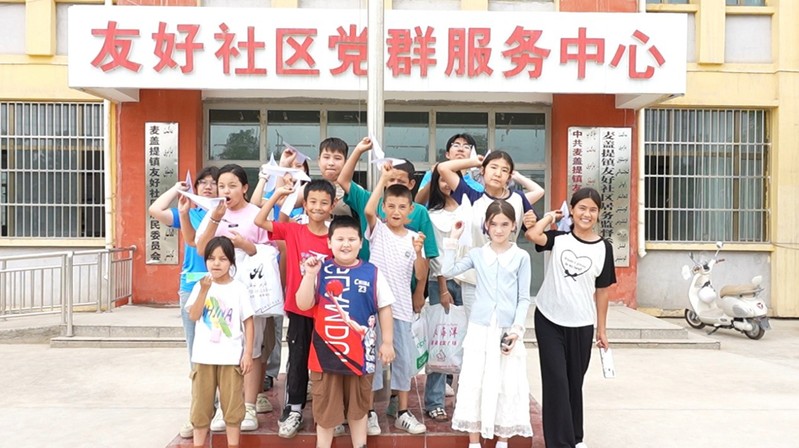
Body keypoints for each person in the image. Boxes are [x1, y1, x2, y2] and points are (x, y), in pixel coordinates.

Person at [295, 215, 397, 448]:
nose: (346, 244)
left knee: (359, 410)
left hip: (360, 358)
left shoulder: (372, 272)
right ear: (329, 242)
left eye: (352, 239)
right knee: (325, 413)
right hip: (324, 358)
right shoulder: (320, 270)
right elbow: (303, 303)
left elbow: (385, 307)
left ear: (361, 243)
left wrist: (387, 342)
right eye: (340, 239)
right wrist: (309, 275)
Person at [526, 187, 616, 448]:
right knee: (556, 382)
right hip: (549, 319)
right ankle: (560, 443)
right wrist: (551, 216)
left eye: (593, 210)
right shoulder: (559, 239)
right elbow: (533, 235)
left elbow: (602, 291)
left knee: (574, 382)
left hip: (581, 323)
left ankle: (576, 437)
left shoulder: (604, 248)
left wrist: (602, 329)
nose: (587, 214)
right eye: (582, 208)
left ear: (598, 214)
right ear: (573, 211)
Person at [441, 200, 533, 448]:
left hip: (507, 330)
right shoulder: (477, 254)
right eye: (494, 224)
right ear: (486, 226)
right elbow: (447, 271)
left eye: (504, 224)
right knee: (475, 381)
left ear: (513, 225)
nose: (499, 230)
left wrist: (516, 329)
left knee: (507, 382)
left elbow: (524, 297)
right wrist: (453, 239)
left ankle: (503, 439)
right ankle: (474, 442)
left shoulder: (521, 257)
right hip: (480, 329)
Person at [253, 178, 338, 439]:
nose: (318, 207)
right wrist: (278, 194)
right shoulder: (294, 230)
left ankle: (331, 412)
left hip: (328, 311)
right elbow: (259, 221)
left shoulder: (336, 236)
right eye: (313, 201)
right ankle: (294, 410)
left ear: (333, 205)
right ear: (305, 204)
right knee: (298, 358)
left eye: (324, 202)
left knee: (328, 362)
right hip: (300, 310)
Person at [195, 164, 271, 432]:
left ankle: (248, 405)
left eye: (232, 186)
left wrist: (245, 245)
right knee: (222, 344)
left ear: (245, 188)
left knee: (253, 345)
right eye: (222, 186)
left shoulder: (256, 214)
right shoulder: (213, 213)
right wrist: (215, 220)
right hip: (219, 290)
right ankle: (224, 407)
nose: (226, 191)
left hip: (251, 288)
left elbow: (269, 251)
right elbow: (201, 248)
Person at [147, 166, 219, 439]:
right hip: (192, 287)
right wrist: (176, 189)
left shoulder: (225, 213)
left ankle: (223, 407)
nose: (208, 187)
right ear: (196, 187)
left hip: (222, 287)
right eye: (203, 183)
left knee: (224, 347)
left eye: (214, 182)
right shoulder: (188, 212)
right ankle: (200, 412)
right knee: (195, 351)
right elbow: (155, 210)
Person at [363, 163, 429, 436]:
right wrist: (383, 179)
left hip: (401, 309)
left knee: (403, 363)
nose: (396, 211)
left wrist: (418, 252)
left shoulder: (415, 238)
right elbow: (368, 211)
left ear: (411, 210)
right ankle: (369, 413)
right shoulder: (377, 230)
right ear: (384, 208)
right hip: (373, 309)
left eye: (402, 207)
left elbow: (421, 274)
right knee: (372, 362)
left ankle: (402, 412)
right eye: (390, 206)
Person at [437, 151, 541, 317]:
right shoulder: (471, 196)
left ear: (509, 177)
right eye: (493, 167)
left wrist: (533, 222)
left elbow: (534, 231)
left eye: (504, 170)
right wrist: (474, 161)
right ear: (482, 171)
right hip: (474, 278)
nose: (498, 173)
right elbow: (443, 168)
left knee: (505, 327)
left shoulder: (518, 199)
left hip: (507, 277)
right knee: (476, 326)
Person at [185, 236, 254, 448]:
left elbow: (248, 322)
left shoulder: (239, 288)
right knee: (201, 407)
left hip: (231, 357)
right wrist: (204, 291)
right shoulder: (200, 286)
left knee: (233, 408)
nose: (216, 263)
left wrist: (248, 353)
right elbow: (194, 315)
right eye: (211, 258)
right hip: (203, 357)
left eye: (222, 259)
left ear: (231, 261)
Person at [337, 137, 439, 263]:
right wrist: (358, 150)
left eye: (401, 181)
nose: (395, 184)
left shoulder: (419, 211)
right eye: (391, 179)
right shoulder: (368, 200)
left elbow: (427, 254)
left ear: (411, 184)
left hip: (405, 274)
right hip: (369, 272)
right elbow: (343, 181)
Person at [422, 165, 465, 422]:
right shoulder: (432, 215)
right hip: (442, 282)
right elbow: (435, 254)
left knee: (467, 342)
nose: (448, 184)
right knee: (440, 340)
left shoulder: (471, 210)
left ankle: (465, 402)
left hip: (469, 282)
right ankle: (435, 401)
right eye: (442, 180)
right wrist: (442, 287)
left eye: (453, 179)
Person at [414, 133, 484, 205]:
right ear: (447, 154)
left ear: (473, 155)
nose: (460, 149)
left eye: (466, 147)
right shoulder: (431, 174)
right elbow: (418, 202)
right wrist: (435, 178)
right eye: (456, 145)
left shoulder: (478, 188)